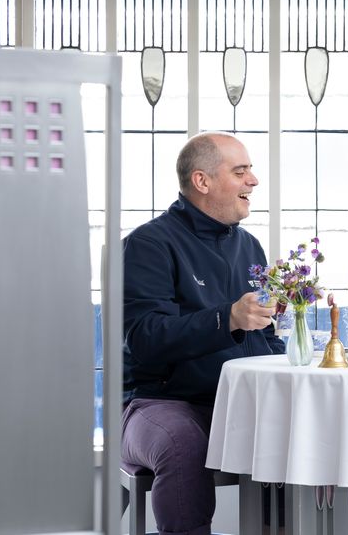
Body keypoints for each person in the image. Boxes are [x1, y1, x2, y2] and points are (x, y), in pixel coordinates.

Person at [122, 132, 285, 535]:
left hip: (234, 401)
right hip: (158, 404)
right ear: (202, 181)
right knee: (182, 445)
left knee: (298, 429)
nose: (254, 181)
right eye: (241, 171)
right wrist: (227, 318)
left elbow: (264, 336)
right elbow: (145, 337)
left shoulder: (250, 247)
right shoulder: (148, 244)